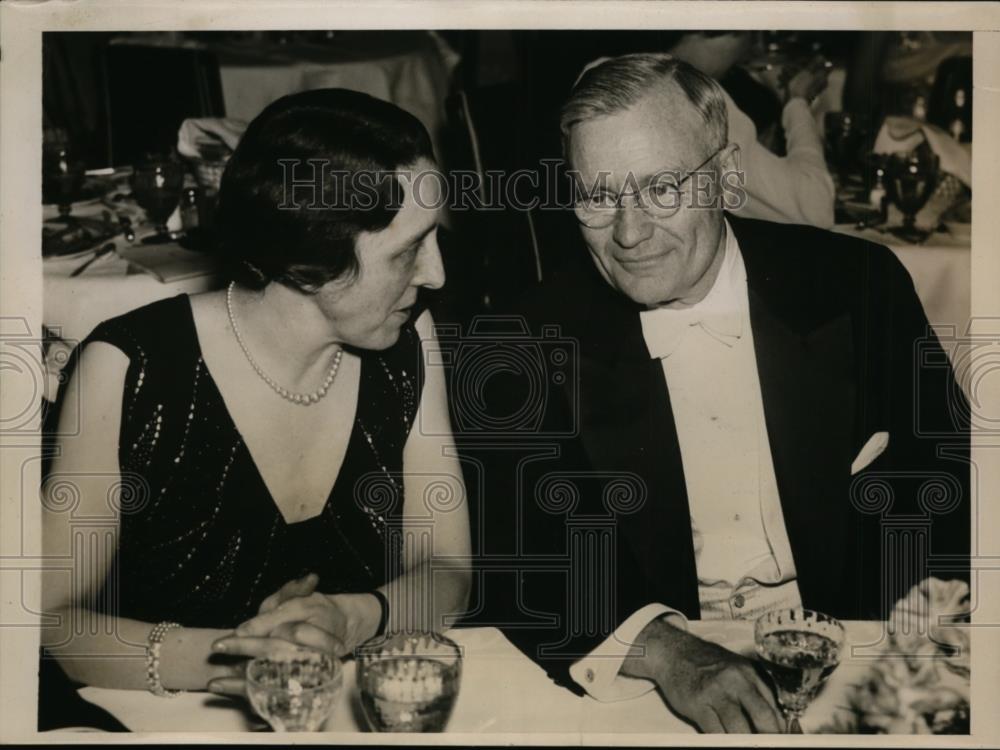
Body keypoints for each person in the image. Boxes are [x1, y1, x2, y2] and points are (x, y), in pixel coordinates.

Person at [494, 54, 968, 733]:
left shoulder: (858, 286)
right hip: (646, 683)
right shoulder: (525, 337)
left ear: (723, 176)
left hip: (860, 665)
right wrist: (666, 652)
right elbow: (518, 552)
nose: (629, 235)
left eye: (661, 188)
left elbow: (952, 492)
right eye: (598, 197)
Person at [40, 89, 470, 700]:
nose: (437, 275)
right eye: (407, 252)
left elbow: (449, 570)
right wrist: (240, 661)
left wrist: (353, 619)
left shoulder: (408, 339)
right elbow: (46, 620)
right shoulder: (127, 368)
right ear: (308, 265)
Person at [663, 31, 836, 228]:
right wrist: (797, 101)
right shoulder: (691, 91)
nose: (755, 50)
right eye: (751, 36)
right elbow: (815, 210)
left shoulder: (645, 75)